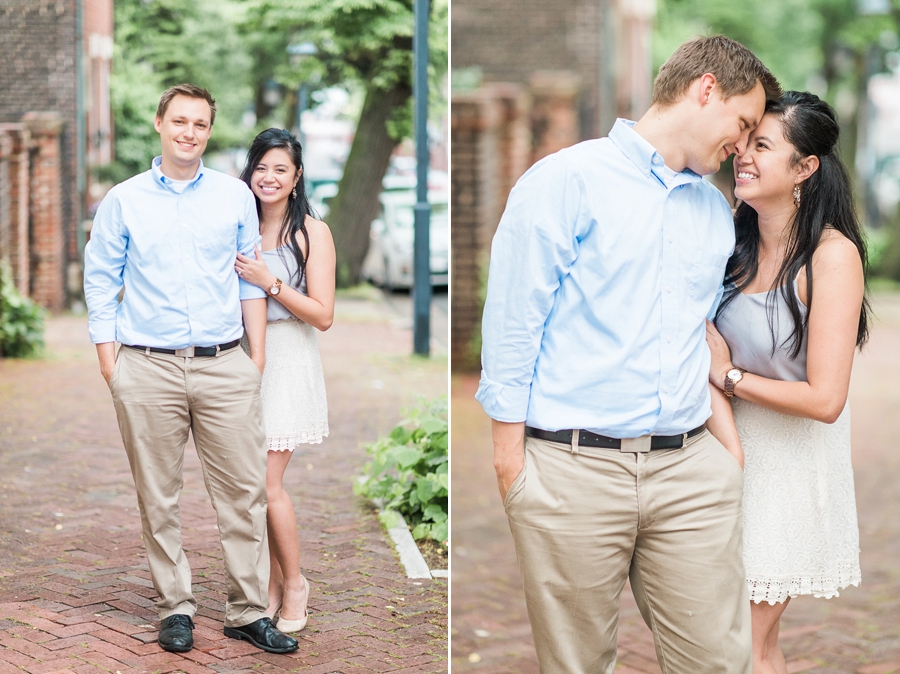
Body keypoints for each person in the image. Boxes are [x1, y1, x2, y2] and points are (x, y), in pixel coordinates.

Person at [476, 36, 782, 673]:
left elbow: (700, 331)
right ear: (705, 89)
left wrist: (727, 456)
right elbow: (512, 326)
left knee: (721, 663)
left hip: (690, 472)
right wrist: (514, 469)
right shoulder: (566, 180)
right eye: (743, 124)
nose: (742, 145)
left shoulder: (713, 210)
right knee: (578, 665)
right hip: (571, 469)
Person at [83, 84, 298, 655]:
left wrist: (255, 359)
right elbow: (101, 280)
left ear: (209, 130)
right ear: (160, 124)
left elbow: (248, 277)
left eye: (200, 124)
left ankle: (248, 612)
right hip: (146, 367)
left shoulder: (233, 197)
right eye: (179, 121)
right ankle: (174, 607)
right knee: (159, 495)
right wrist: (110, 361)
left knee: (244, 493)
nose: (189, 133)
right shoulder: (124, 200)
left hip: (225, 364)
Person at [706, 91, 868, 674]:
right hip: (726, 452)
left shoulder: (832, 258)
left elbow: (825, 400)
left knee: (744, 644)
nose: (742, 155)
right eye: (743, 141)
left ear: (805, 168)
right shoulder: (730, 243)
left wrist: (727, 373)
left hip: (791, 464)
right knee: (734, 641)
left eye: (763, 145)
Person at [233, 128, 335, 634]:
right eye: (261, 167)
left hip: (289, 357)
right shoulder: (238, 224)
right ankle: (271, 586)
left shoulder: (312, 232)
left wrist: (269, 282)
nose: (269, 177)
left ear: (296, 178)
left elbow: (322, 314)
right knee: (251, 483)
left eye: (280, 169)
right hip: (243, 357)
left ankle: (294, 584)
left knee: (266, 483)